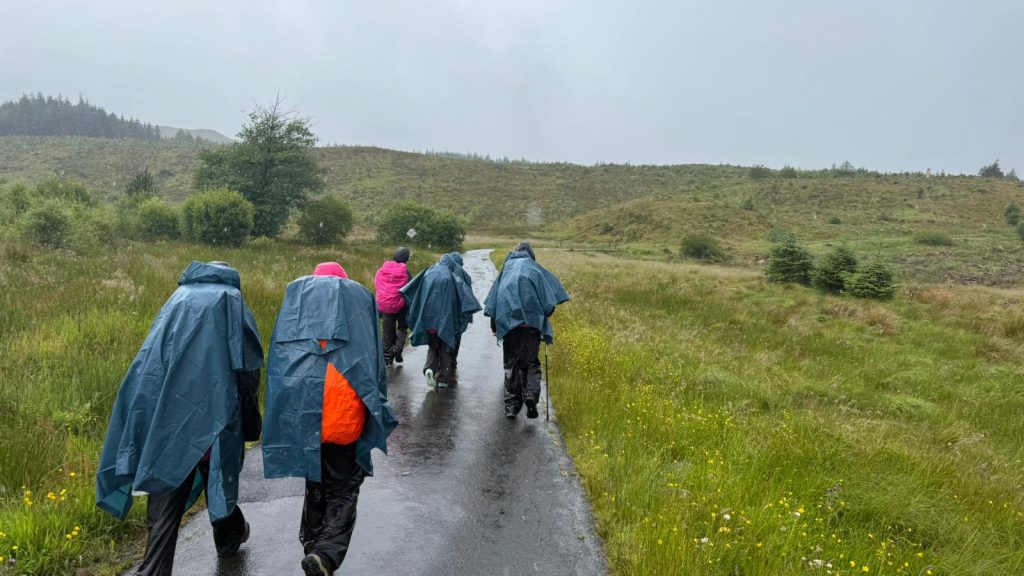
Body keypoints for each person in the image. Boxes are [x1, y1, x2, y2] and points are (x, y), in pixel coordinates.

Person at [96, 261, 264, 576]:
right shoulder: (230, 300)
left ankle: (162, 564)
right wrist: (250, 418)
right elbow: (248, 365)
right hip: (215, 418)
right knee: (215, 476)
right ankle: (229, 535)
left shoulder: (177, 299)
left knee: (169, 487)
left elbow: (151, 361)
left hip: (167, 419)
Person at [263, 262, 398, 576]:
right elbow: (373, 367)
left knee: (316, 483)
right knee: (343, 487)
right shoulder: (356, 307)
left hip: (303, 414)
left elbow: (280, 367)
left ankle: (312, 545)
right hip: (343, 417)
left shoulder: (296, 308)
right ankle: (324, 554)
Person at [484, 242, 569, 419]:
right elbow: (549, 304)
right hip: (531, 326)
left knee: (511, 364)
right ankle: (530, 395)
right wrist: (542, 318)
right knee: (530, 363)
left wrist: (494, 327)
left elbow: (495, 301)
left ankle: (512, 407)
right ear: (531, 254)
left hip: (509, 325)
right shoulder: (535, 269)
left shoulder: (507, 268)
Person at [401, 252, 481, 388]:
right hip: (445, 321)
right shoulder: (451, 276)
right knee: (445, 349)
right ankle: (443, 379)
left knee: (432, 347)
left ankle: (429, 369)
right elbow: (462, 298)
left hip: (427, 322)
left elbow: (416, 293)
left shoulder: (428, 273)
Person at [374, 247, 412, 366]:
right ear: (406, 259)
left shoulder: (381, 270)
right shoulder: (406, 272)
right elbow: (409, 290)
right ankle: (396, 350)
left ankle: (387, 359)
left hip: (385, 306)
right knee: (402, 328)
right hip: (401, 306)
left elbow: (377, 285)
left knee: (387, 332)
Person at [444, 251, 473, 370]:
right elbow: (468, 296)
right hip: (458, 312)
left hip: (444, 311)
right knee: (457, 336)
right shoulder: (464, 274)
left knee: (444, 335)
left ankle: (443, 361)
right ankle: (452, 360)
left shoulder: (441, 271)